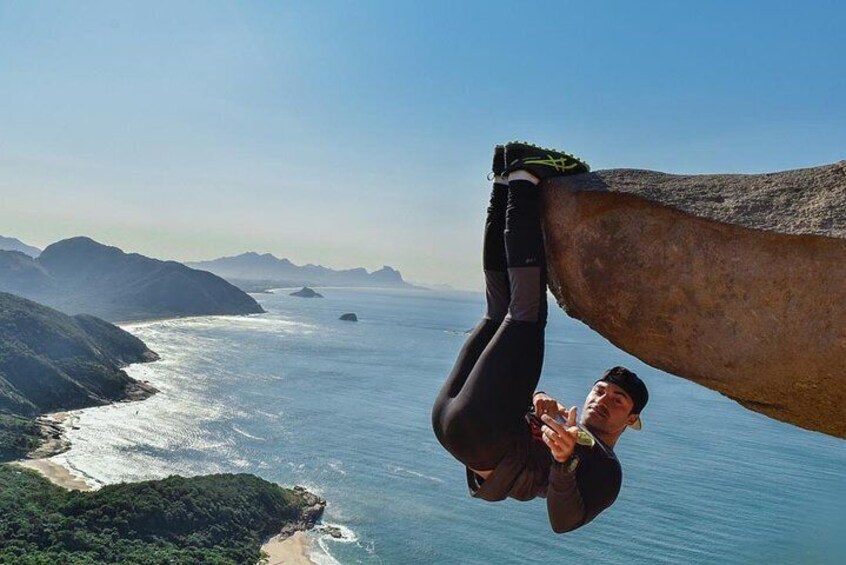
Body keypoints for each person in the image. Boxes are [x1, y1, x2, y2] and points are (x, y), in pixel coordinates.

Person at [431, 141, 649, 533]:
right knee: (499, 312)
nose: (603, 401)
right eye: (600, 391)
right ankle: (502, 183)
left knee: (526, 315)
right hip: (454, 422)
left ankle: (525, 177)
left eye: (618, 401)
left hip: (480, 436)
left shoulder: (605, 469)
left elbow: (564, 523)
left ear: (632, 420)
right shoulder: (568, 427)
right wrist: (537, 400)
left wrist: (565, 462)